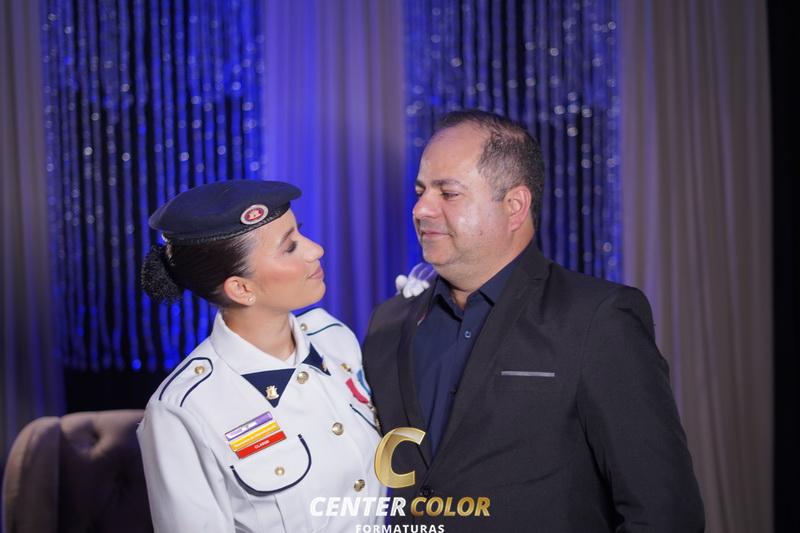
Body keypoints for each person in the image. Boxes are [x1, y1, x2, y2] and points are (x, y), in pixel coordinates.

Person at [362, 110, 705, 532]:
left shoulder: (597, 319)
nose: (421, 209)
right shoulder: (388, 324)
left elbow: (665, 512)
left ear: (514, 206)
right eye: (420, 191)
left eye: (448, 193)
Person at [137, 180, 383, 533]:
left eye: (301, 232)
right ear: (242, 288)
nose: (316, 250)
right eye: (290, 247)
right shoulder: (182, 411)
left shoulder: (334, 338)